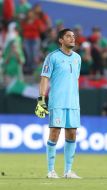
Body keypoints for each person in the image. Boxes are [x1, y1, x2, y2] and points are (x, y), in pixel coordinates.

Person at [35, 28, 82, 179]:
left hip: (73, 102)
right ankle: (51, 171)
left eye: (73, 36)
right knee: (55, 133)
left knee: (72, 134)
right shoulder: (52, 57)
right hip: (57, 101)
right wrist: (41, 99)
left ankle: (68, 171)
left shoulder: (77, 58)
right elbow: (44, 78)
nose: (72, 38)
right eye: (68, 36)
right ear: (61, 40)